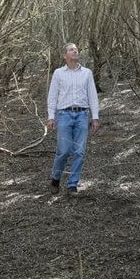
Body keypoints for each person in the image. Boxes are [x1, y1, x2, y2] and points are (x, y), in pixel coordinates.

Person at [46, 43, 100, 196]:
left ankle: (72, 184)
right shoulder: (58, 73)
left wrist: (95, 117)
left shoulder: (87, 73)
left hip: (82, 115)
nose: (75, 51)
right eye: (71, 49)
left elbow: (93, 96)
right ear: (65, 55)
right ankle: (55, 178)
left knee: (79, 152)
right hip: (64, 115)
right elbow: (52, 96)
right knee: (63, 151)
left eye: (76, 49)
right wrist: (51, 117)